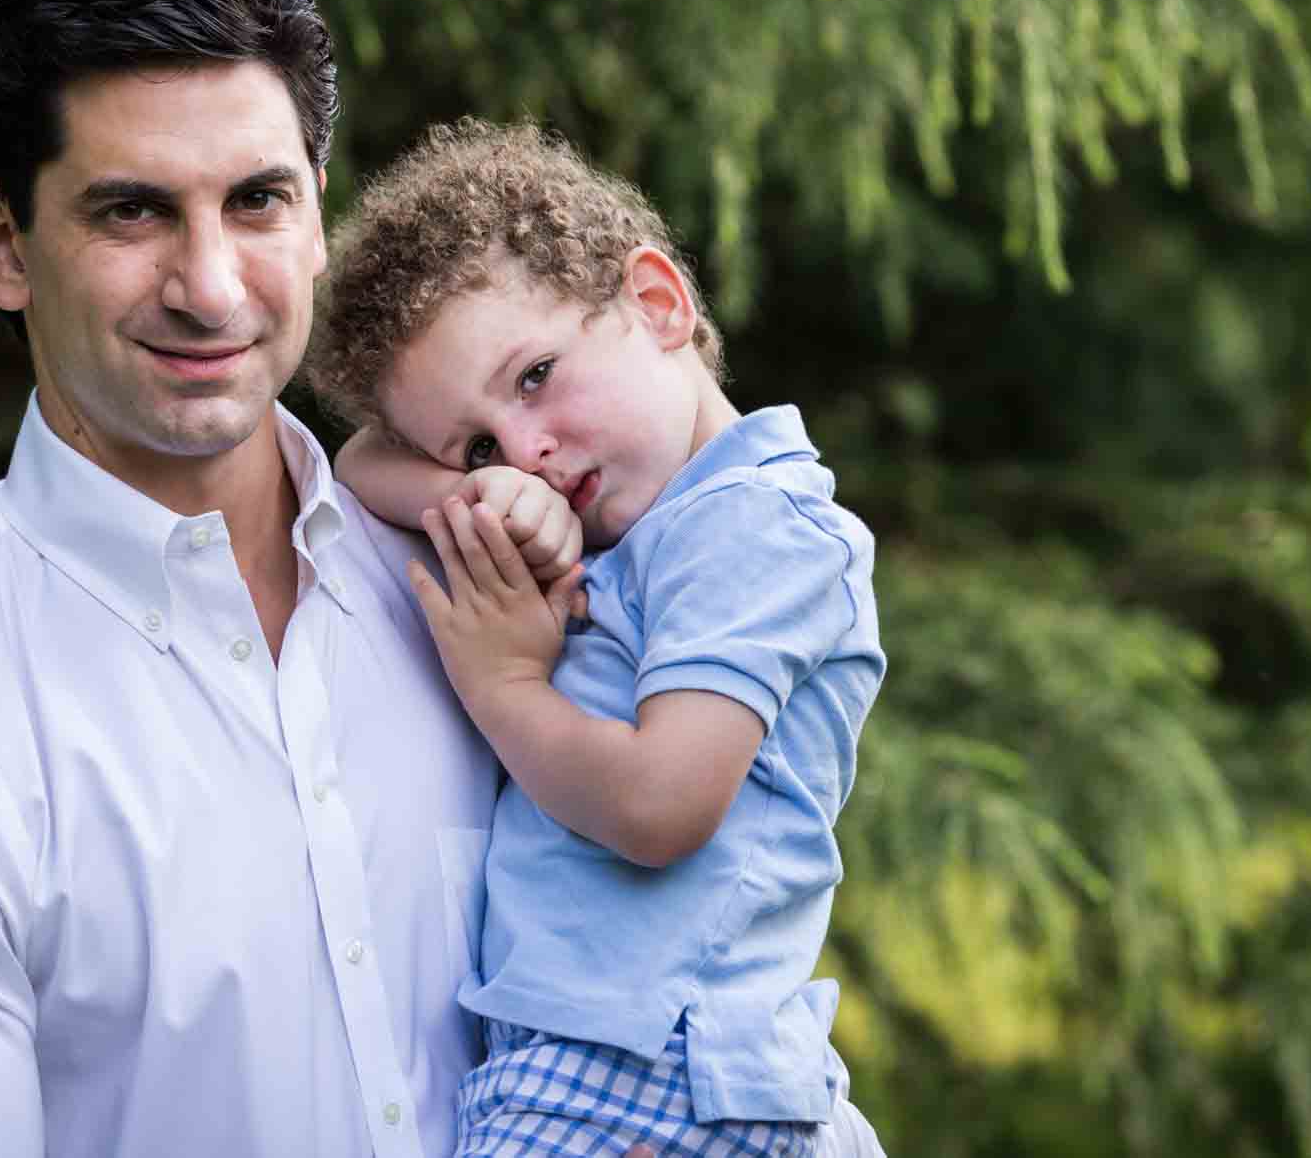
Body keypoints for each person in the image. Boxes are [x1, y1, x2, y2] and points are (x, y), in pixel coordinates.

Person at [0, 0, 515, 1157]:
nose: (210, 288)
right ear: (2, 243)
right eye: (131, 212)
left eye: (255, 200)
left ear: (317, 213)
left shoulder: (482, 587)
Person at [308, 119, 890, 1156]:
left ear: (657, 304)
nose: (525, 448)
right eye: (480, 437)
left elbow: (661, 806)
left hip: (649, 1076)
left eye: (533, 375)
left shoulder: (750, 523)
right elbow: (355, 461)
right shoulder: (626, 531)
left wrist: (505, 689)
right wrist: (474, 487)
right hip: (580, 1065)